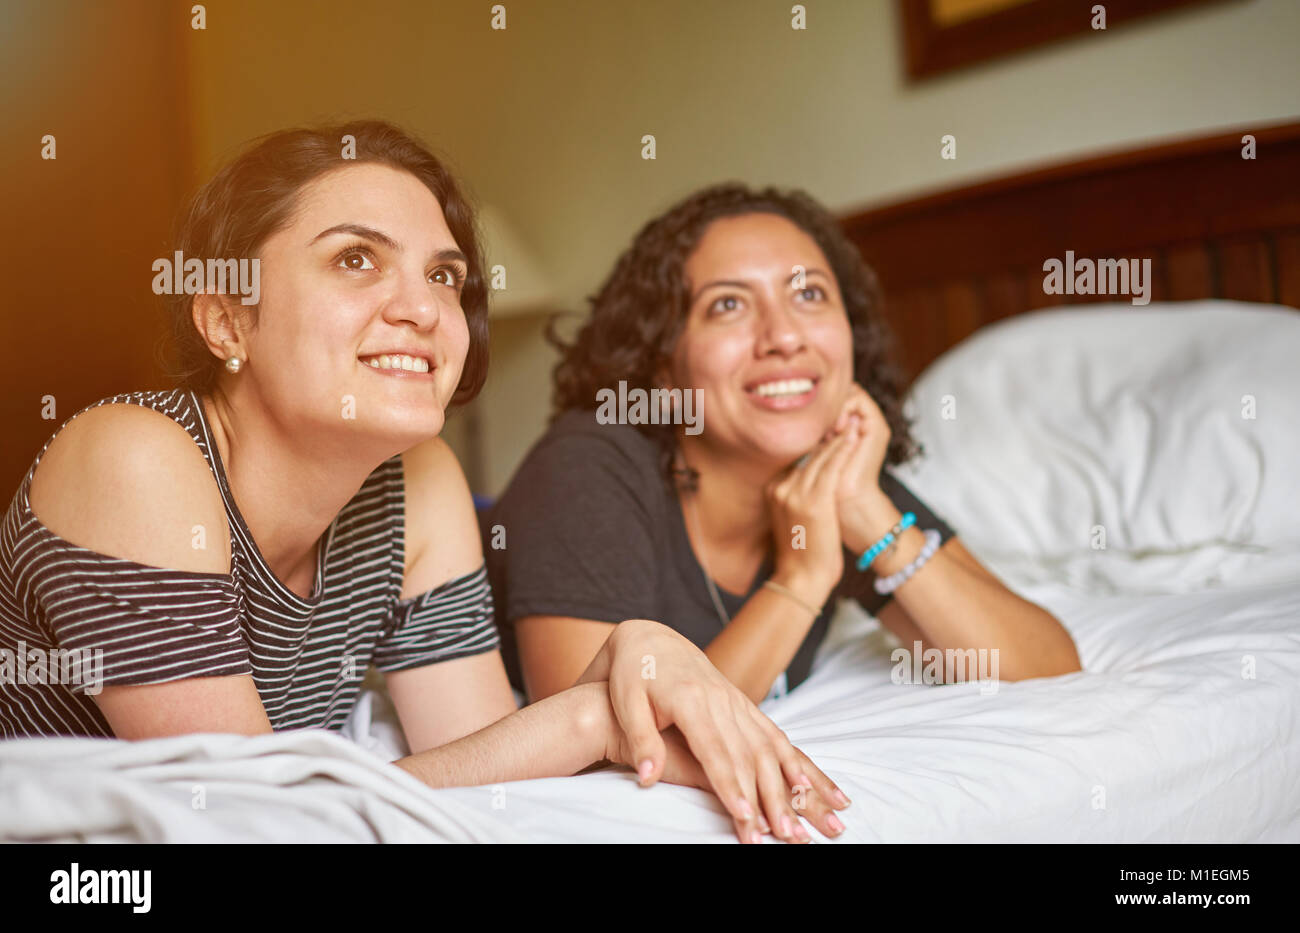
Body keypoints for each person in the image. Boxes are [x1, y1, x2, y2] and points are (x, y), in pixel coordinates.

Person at [0, 125, 849, 845]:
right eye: (356, 259)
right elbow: (246, 823)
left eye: (443, 274)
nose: (424, 308)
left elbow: (483, 771)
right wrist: (590, 715)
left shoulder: (419, 479)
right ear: (227, 317)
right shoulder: (131, 457)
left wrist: (640, 647)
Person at [487, 183, 1082, 707]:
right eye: (728, 305)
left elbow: (1043, 668)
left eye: (809, 295)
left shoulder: (832, 477)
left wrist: (870, 516)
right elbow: (598, 747)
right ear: (662, 366)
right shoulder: (586, 466)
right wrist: (800, 580)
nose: (783, 336)